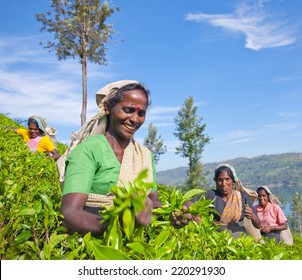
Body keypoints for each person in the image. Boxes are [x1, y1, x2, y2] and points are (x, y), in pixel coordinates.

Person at [60, 80, 162, 236]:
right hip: (89, 240)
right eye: (128, 110)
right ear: (108, 108)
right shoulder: (90, 149)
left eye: (141, 113)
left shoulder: (145, 155)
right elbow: (70, 211)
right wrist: (116, 224)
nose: (135, 119)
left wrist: (176, 213)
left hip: (135, 242)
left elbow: (153, 203)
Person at [171, 164, 261, 239]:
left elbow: (258, 225)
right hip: (218, 240)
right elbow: (190, 202)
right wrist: (183, 210)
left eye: (227, 179)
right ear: (216, 181)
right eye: (220, 180)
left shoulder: (242, 197)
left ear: (233, 181)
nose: (224, 183)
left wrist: (252, 216)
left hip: (241, 240)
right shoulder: (211, 195)